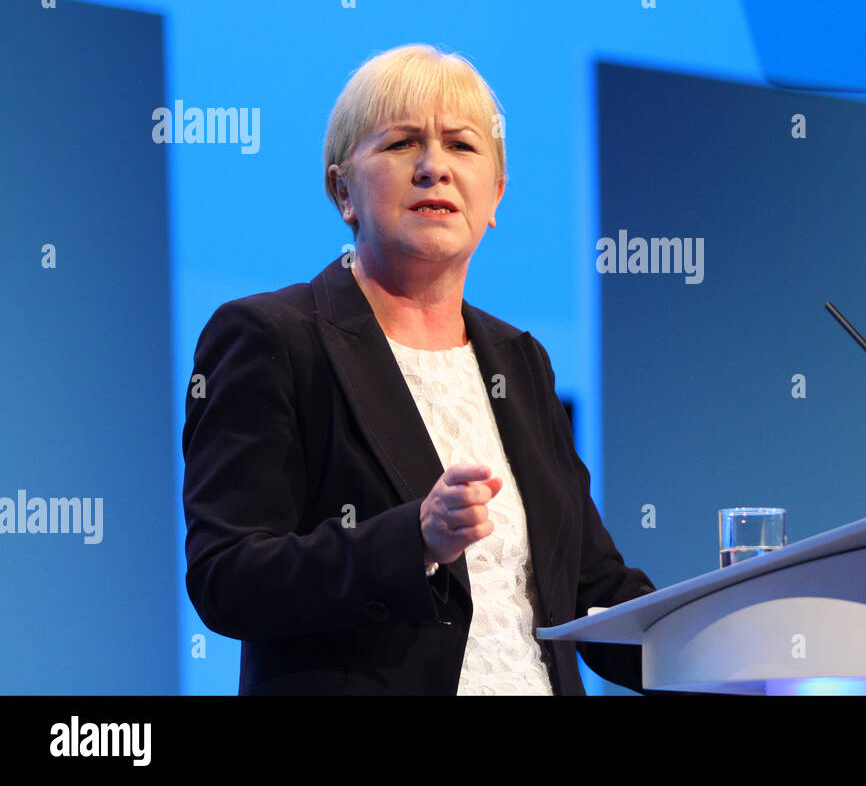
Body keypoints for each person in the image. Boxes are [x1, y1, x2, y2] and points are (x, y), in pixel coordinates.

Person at [182, 44, 655, 694]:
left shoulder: (520, 360)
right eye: (402, 143)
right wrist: (415, 540)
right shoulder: (273, 339)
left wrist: (732, 628)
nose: (434, 168)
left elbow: (590, 588)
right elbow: (227, 578)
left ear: (495, 195)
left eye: (462, 146)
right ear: (342, 189)